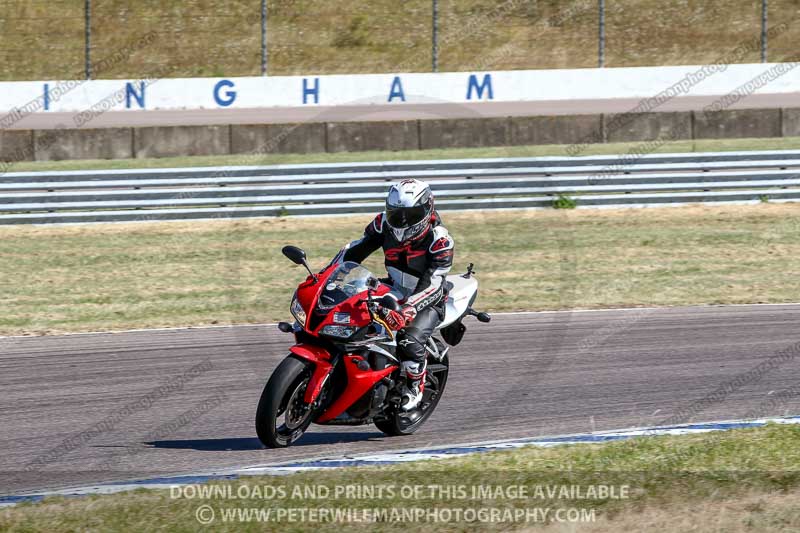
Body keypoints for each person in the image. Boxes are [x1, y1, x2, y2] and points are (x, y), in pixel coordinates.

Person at [331, 179, 454, 410]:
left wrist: (409, 309)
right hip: (394, 287)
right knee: (348, 309)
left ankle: (415, 387)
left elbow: (434, 283)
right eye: (397, 214)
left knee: (408, 339)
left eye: (410, 215)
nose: (402, 221)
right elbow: (355, 251)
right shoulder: (383, 224)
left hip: (428, 299)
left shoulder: (440, 240)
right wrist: (327, 275)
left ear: (427, 209)